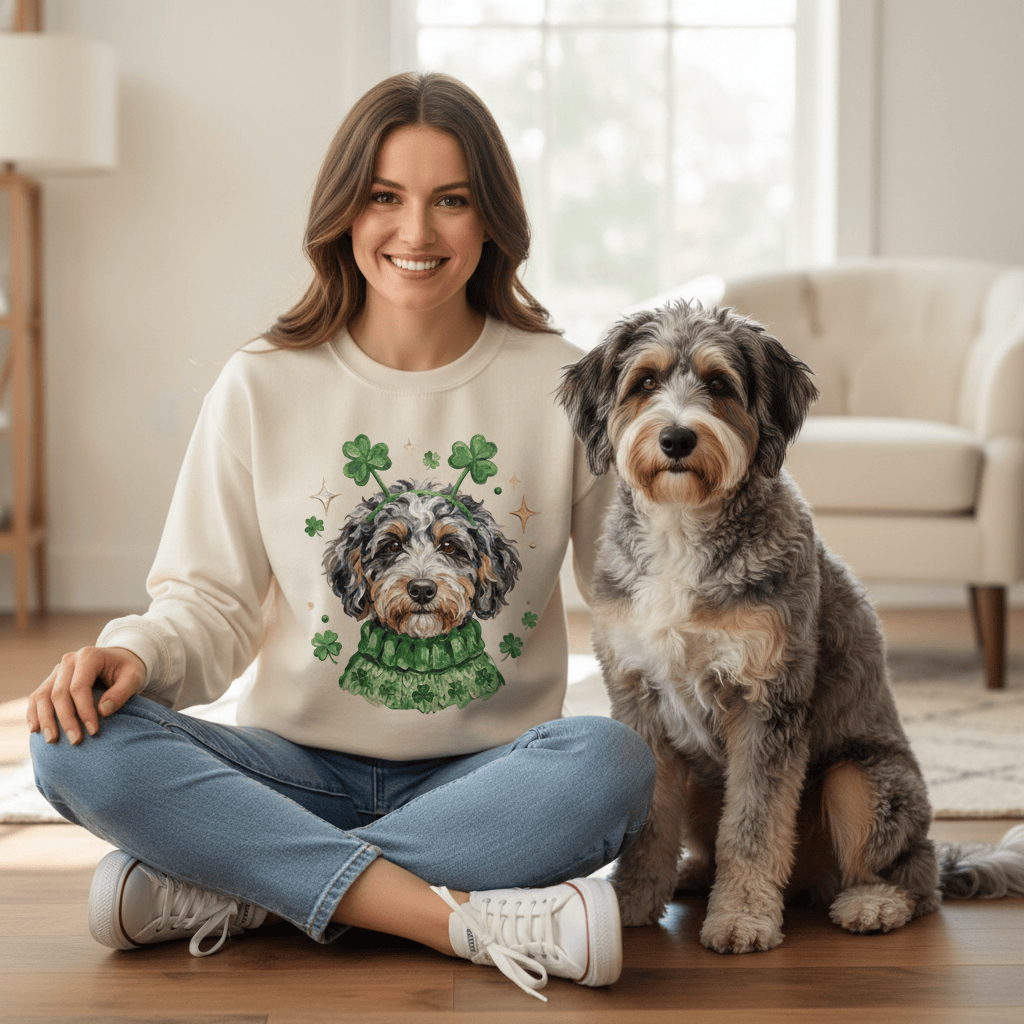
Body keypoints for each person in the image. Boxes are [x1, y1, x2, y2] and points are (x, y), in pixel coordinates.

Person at [27, 71, 656, 1003]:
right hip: (290, 770)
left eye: (451, 200)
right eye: (385, 198)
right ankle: (454, 922)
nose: (416, 233)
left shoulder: (569, 387)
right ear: (342, 214)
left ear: (492, 222)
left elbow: (638, 601)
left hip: (490, 776)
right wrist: (134, 657)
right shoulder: (261, 384)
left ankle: (237, 886)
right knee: (68, 743)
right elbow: (207, 603)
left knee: (612, 766)